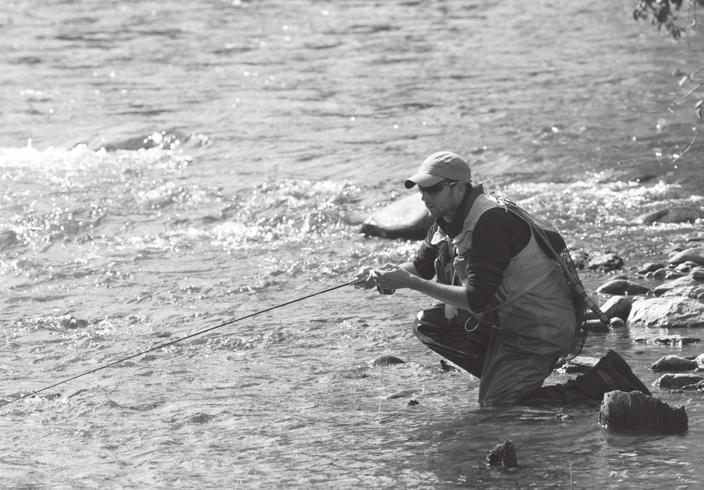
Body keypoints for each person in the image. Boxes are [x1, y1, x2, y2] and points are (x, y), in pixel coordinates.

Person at [357, 151, 650, 406]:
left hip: (539, 329)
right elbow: (420, 267)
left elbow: (477, 299)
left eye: (432, 189)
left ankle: (602, 382)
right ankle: (508, 374)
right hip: (507, 322)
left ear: (458, 188)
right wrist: (383, 276)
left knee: (497, 405)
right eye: (420, 189)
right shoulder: (445, 219)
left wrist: (410, 284)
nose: (423, 196)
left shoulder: (490, 222)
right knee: (430, 324)